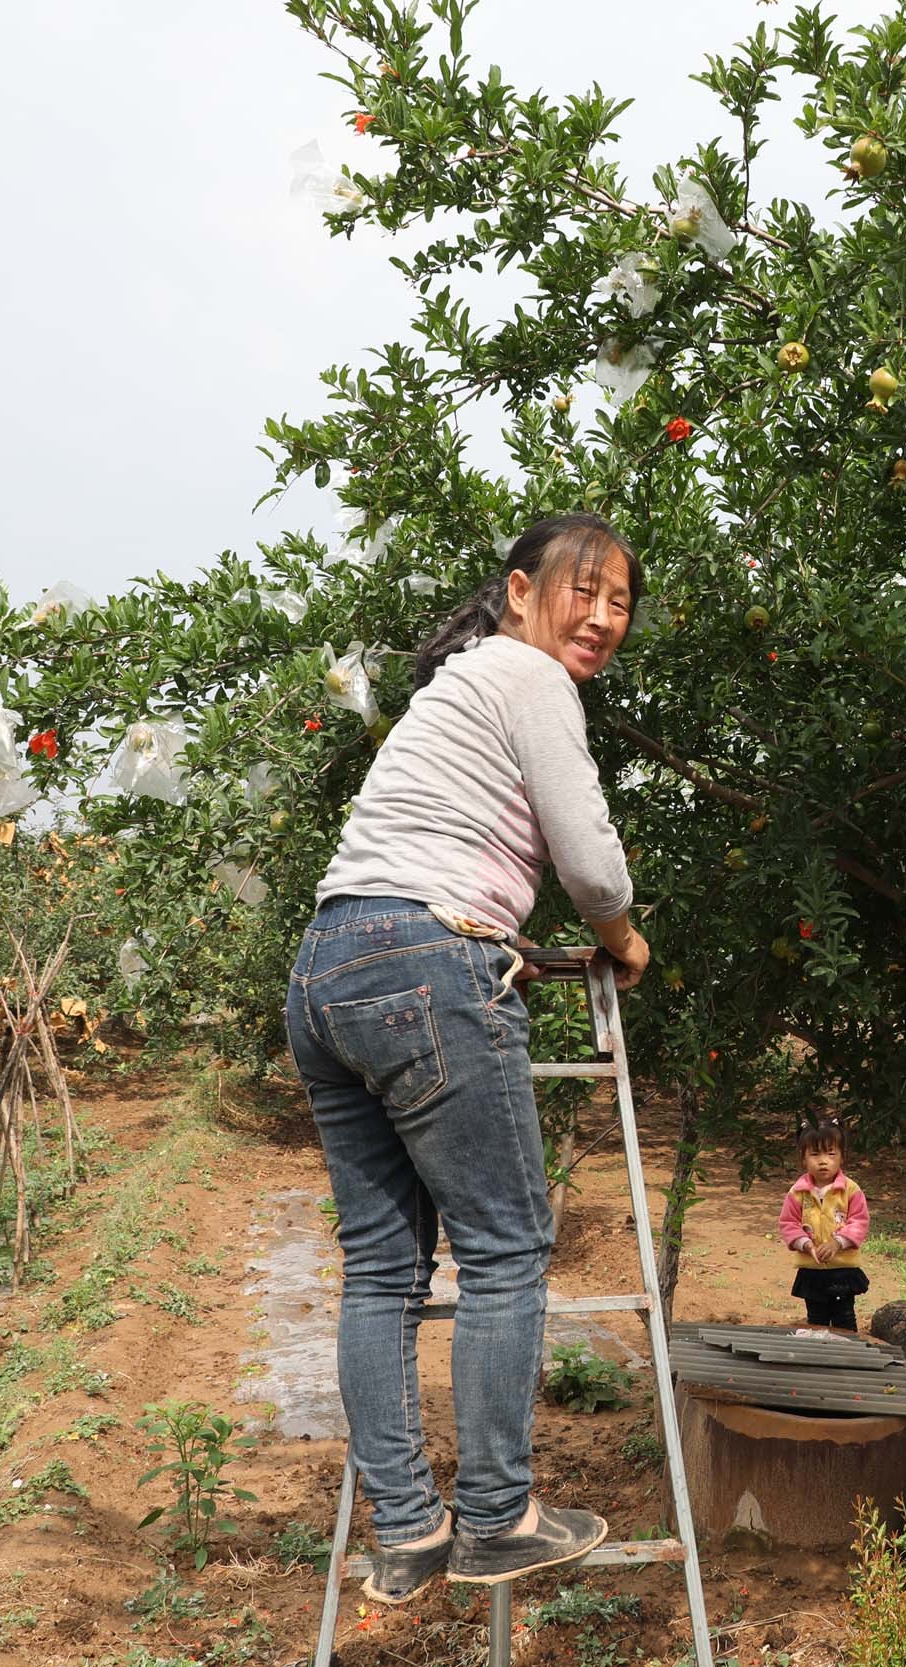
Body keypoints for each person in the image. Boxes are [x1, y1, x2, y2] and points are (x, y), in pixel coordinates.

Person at [285, 512, 649, 1603]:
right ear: (520, 591)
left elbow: (430, 858)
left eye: (620, 600)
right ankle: (496, 1516)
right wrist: (623, 937)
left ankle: (406, 1531)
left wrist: (499, 949)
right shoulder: (531, 677)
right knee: (506, 1247)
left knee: (383, 1268)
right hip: (422, 960)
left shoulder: (456, 688)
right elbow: (589, 861)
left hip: (327, 965)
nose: (598, 616)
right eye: (581, 590)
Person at [777, 1120, 870, 1332]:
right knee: (816, 1319)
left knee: (844, 1319)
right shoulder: (797, 1192)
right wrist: (806, 1245)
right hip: (812, 1270)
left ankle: (847, 1359)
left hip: (843, 1269)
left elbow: (859, 1220)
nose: (823, 1161)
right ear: (803, 1159)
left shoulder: (850, 1190)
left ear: (842, 1157)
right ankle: (819, 1360)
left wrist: (838, 1243)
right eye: (815, 1154)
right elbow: (788, 1223)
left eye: (830, 1154)